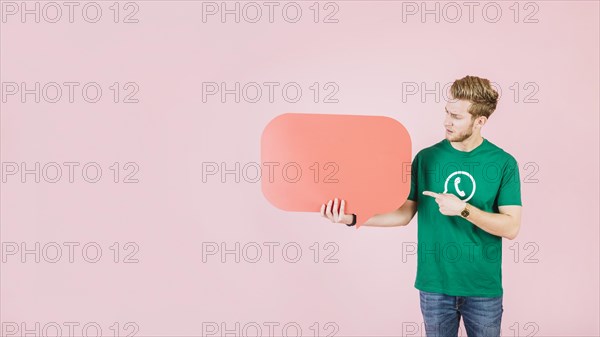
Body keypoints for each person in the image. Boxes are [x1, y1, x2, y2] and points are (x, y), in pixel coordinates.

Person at [320, 75, 522, 337]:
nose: (446, 121)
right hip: (434, 286)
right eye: (447, 112)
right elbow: (404, 213)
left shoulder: (504, 163)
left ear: (480, 121)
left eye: (457, 117)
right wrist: (352, 218)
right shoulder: (426, 158)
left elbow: (511, 226)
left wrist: (464, 209)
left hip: (482, 288)